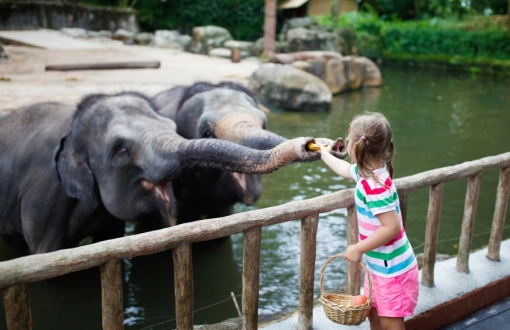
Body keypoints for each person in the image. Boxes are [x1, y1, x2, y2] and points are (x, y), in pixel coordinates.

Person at [319, 112, 418, 330]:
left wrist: (357, 248)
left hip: (393, 268)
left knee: (390, 321)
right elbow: (346, 169)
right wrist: (324, 154)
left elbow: (392, 227)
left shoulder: (374, 185)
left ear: (357, 145)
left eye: (348, 139)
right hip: (380, 266)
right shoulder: (368, 172)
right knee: (373, 313)